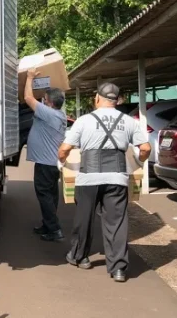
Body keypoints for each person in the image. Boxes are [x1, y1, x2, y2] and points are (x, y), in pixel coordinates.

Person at [58, 83, 151, 283]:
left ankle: (80, 257)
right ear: (117, 100)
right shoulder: (128, 121)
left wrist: (63, 163)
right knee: (116, 223)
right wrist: (136, 163)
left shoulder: (83, 121)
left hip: (88, 177)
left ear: (97, 99)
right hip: (117, 176)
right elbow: (145, 148)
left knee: (84, 219)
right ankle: (118, 269)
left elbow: (64, 149)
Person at [23, 69, 68, 242]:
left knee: (44, 196)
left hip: (45, 164)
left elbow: (27, 98)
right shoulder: (59, 115)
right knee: (51, 195)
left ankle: (54, 229)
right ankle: (47, 224)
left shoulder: (48, 113)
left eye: (45, 99)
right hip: (51, 163)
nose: (43, 100)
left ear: (48, 102)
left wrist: (30, 77)